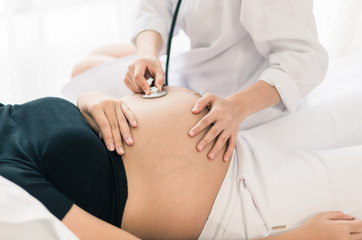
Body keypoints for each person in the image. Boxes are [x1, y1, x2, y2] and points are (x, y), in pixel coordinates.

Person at [1, 86, 362, 239]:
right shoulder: (8, 188)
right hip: (238, 204)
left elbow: (60, 139)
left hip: (236, 140)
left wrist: (90, 102)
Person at [70, 0, 329, 162]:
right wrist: (147, 55)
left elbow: (305, 59)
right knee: (98, 57)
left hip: (236, 97)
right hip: (199, 67)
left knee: (84, 70)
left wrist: (236, 107)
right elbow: (155, 9)